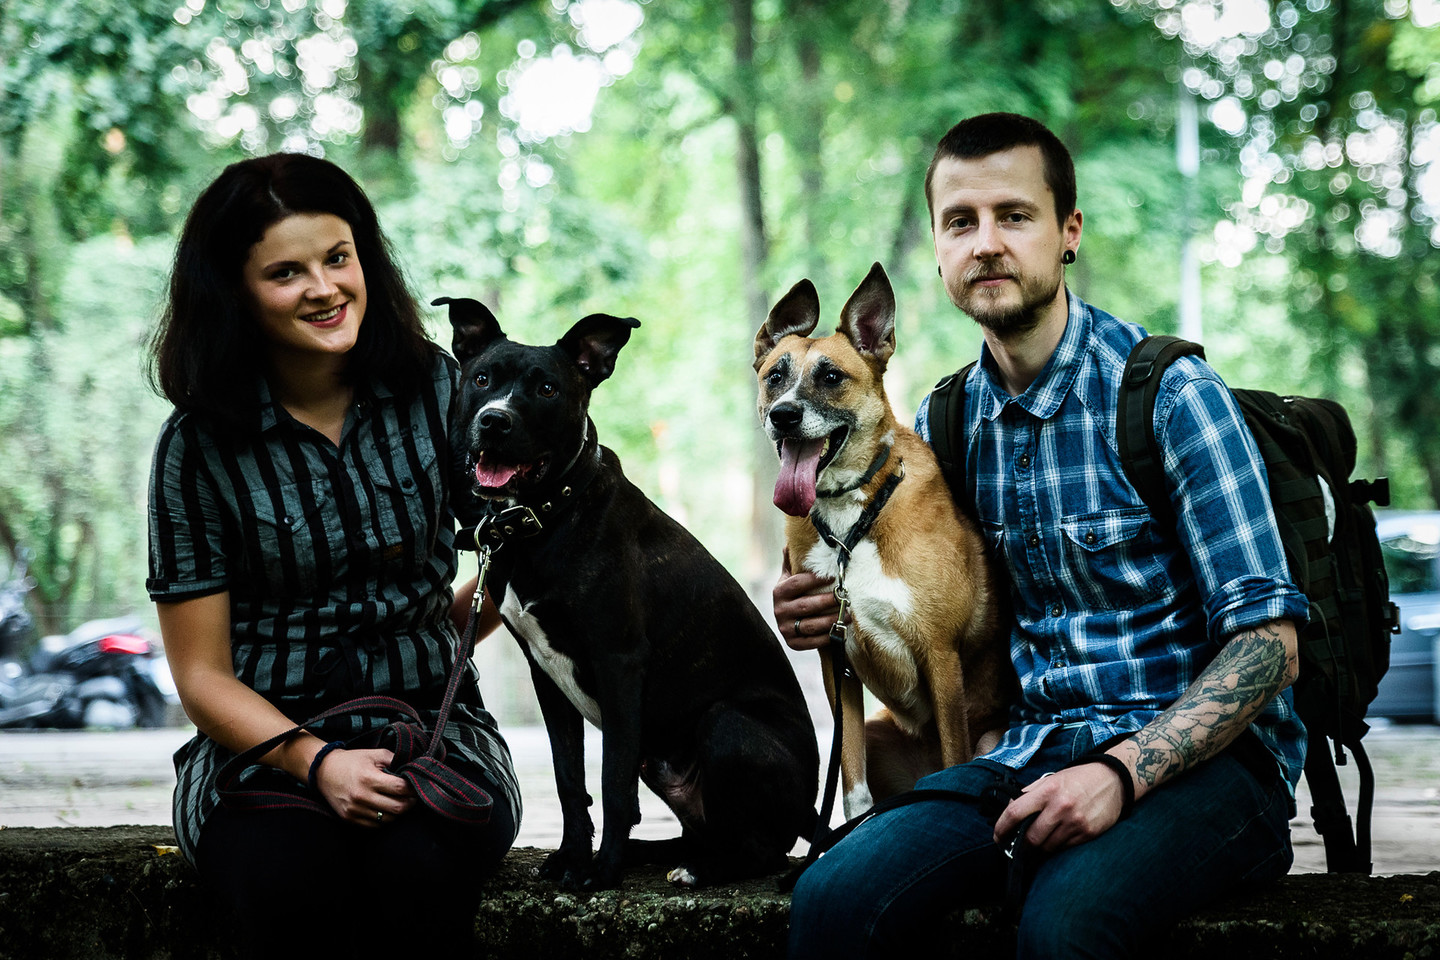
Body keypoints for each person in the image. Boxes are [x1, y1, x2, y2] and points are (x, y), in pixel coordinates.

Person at [777, 113, 1310, 958]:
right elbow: (942, 612)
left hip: (1207, 767)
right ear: (940, 250)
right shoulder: (947, 422)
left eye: (1014, 216)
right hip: (1026, 752)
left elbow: (1270, 648)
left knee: (1064, 925)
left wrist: (1122, 772)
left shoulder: (1171, 396)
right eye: (961, 221)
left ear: (1068, 233)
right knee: (833, 900)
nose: (986, 243)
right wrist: (816, 609)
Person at [145, 153, 520, 958]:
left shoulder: (439, 390)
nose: (324, 288)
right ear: (233, 291)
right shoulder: (195, 447)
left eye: (337, 258)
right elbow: (202, 676)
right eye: (286, 272)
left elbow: (514, 559)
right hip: (261, 754)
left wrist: (445, 641)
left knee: (420, 867)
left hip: (434, 731)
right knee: (289, 879)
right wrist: (316, 763)